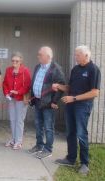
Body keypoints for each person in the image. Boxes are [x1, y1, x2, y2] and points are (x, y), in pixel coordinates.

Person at [53, 45, 101, 175]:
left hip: (82, 106)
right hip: (71, 105)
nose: (75, 57)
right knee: (71, 133)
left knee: (81, 134)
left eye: (77, 55)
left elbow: (95, 92)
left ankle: (85, 163)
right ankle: (71, 158)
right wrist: (59, 86)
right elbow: (70, 88)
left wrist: (74, 98)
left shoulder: (93, 69)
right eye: (75, 55)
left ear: (86, 55)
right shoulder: (75, 69)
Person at [28, 46, 66, 159]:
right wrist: (32, 98)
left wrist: (54, 101)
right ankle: (39, 145)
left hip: (48, 103)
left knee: (48, 127)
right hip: (38, 101)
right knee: (38, 125)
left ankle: (48, 149)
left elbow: (61, 86)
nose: (38, 56)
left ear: (48, 57)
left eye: (40, 54)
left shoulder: (56, 69)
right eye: (38, 54)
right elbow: (34, 83)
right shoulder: (37, 67)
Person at [3, 52, 31, 150]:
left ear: (21, 61)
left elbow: (27, 86)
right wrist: (6, 93)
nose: (14, 62)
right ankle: (14, 139)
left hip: (20, 99)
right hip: (11, 99)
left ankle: (19, 141)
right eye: (13, 60)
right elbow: (5, 83)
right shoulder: (8, 70)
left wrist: (17, 92)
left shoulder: (25, 71)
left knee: (19, 120)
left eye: (17, 61)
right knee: (12, 119)